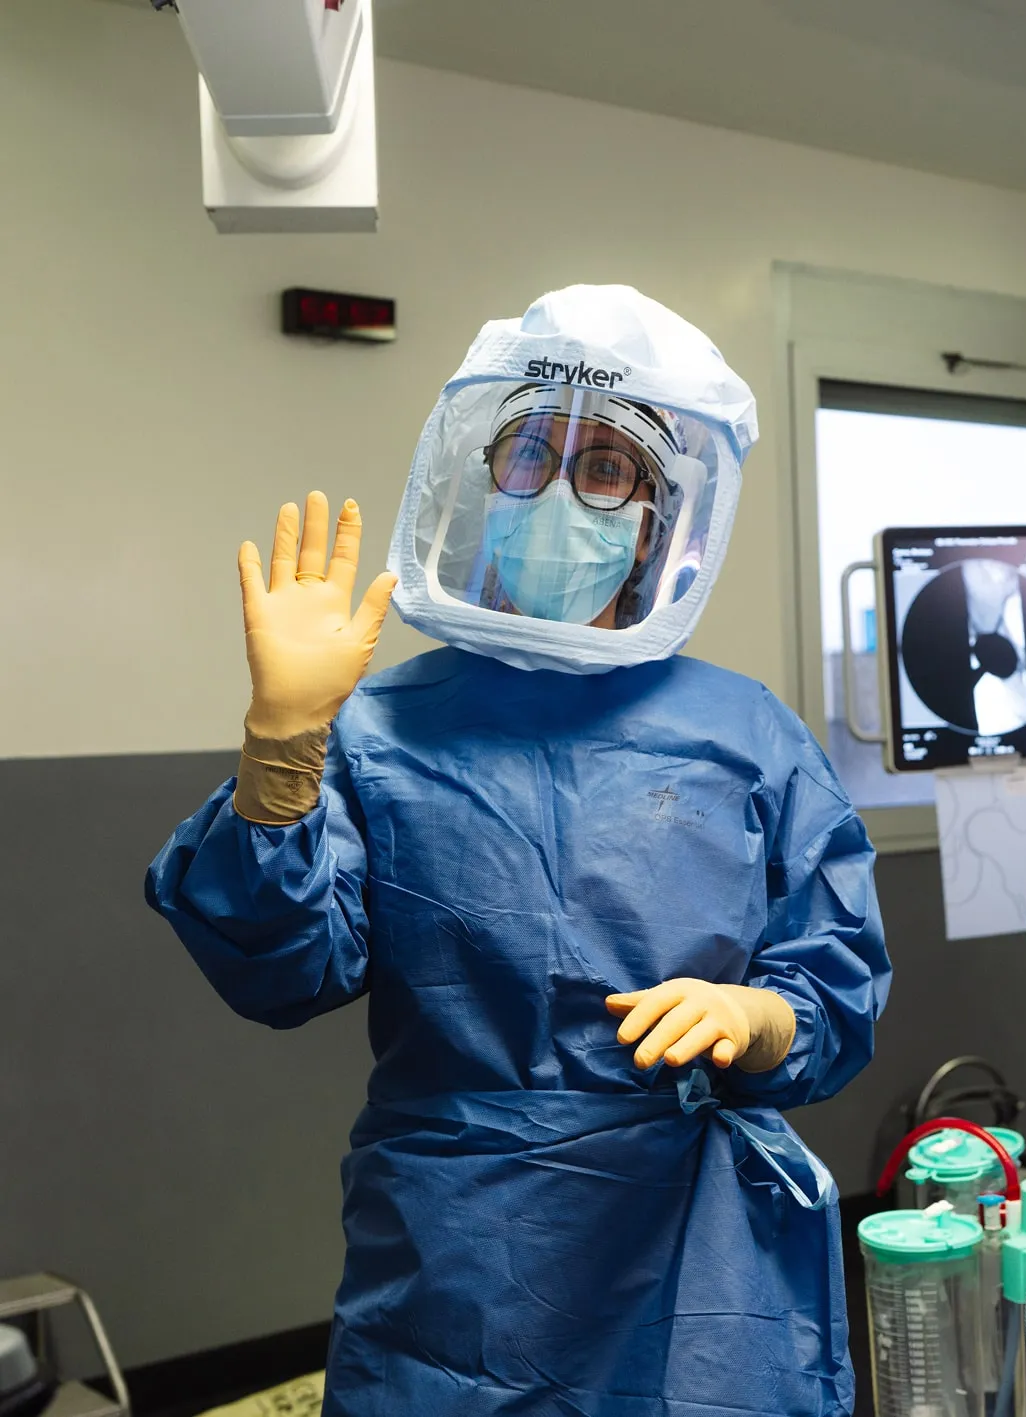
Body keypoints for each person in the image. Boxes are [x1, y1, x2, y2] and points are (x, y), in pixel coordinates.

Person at [147, 285, 890, 1417]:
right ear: (479, 477)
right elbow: (285, 972)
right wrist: (280, 748)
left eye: (605, 468)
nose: (556, 495)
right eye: (529, 454)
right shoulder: (380, 728)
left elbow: (834, 985)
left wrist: (760, 1018)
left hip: (697, 1262)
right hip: (462, 1260)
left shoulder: (745, 735)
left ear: (657, 514)